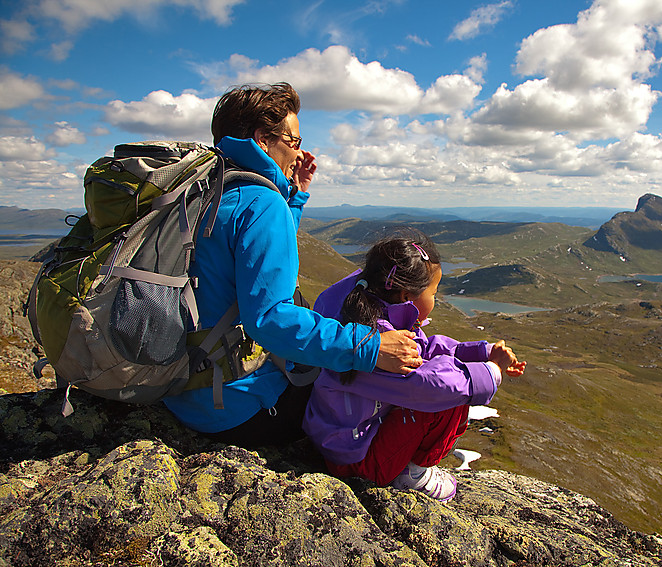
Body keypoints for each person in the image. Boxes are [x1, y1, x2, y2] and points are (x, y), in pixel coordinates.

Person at [162, 83, 423, 446]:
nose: (299, 153)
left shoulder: (211, 190)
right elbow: (270, 317)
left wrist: (293, 196)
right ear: (262, 139)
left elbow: (251, 260)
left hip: (184, 390)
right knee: (363, 394)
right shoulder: (262, 205)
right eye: (294, 141)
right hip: (233, 409)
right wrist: (372, 348)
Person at [302, 232, 526, 501]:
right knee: (452, 400)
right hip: (355, 463)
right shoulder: (378, 341)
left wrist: (482, 352)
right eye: (434, 291)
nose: (436, 298)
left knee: (451, 378)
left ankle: (404, 465)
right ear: (408, 294)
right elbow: (429, 385)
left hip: (341, 443)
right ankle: (414, 475)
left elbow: (426, 349)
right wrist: (490, 373)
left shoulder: (371, 315)